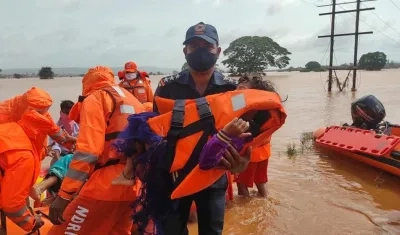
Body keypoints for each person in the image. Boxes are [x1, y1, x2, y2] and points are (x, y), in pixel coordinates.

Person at [150, 22, 252, 235]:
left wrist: (242, 163)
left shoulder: (232, 90)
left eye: (207, 46)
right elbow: (153, 132)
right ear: (185, 51)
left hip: (214, 177)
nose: (200, 51)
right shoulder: (166, 87)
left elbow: (246, 137)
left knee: (212, 232)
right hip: (173, 175)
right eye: (194, 46)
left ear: (218, 51)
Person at [48, 66, 145, 235]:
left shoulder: (96, 98)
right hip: (133, 185)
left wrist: (64, 196)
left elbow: (88, 152)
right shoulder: (133, 100)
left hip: (104, 187)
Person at [0, 109, 75, 234]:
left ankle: (40, 188)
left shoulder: (10, 129)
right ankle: (40, 189)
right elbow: (12, 204)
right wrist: (32, 222)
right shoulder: (24, 156)